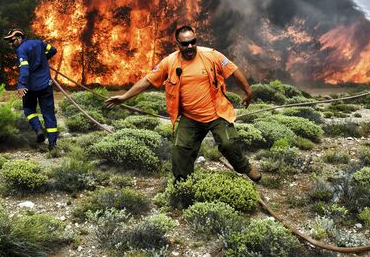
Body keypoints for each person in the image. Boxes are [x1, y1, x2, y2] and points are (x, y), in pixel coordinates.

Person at [105, 25, 261, 182]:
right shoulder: (170, 61)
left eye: (193, 42)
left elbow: (233, 70)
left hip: (217, 113)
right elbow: (147, 80)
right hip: (190, 117)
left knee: (228, 144)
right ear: (178, 44)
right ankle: (184, 185)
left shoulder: (211, 55)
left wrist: (248, 92)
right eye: (185, 44)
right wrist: (124, 97)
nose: (190, 46)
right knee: (180, 151)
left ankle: (245, 168)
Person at [3, 28, 58, 150]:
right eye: (9, 42)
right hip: (45, 85)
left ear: (19, 37)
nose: (11, 44)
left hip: (30, 87)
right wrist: (44, 59)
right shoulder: (39, 43)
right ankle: (52, 144)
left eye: (12, 41)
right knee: (48, 114)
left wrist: (21, 85)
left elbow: (24, 69)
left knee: (28, 109)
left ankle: (38, 130)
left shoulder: (21, 50)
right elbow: (53, 50)